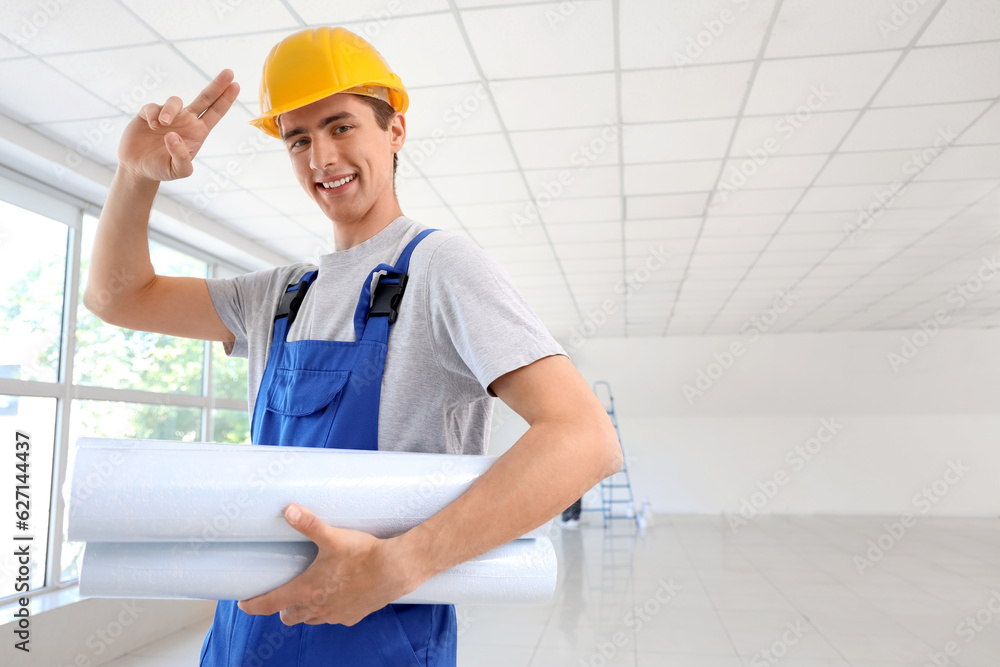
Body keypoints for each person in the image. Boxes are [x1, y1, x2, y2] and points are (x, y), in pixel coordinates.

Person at [83, 25, 622, 667]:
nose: (321, 159)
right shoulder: (281, 295)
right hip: (247, 636)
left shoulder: (440, 269)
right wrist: (134, 176)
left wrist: (401, 563)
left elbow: (585, 439)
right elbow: (120, 297)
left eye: (341, 127)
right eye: (299, 139)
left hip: (375, 636)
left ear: (394, 132)